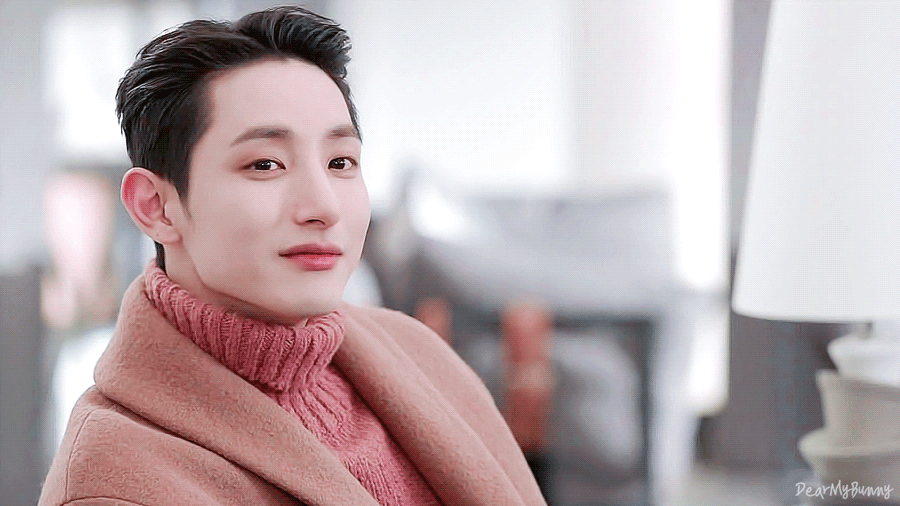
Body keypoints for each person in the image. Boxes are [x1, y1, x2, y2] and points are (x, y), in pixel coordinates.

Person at [39, 6, 546, 506]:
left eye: (340, 162)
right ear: (156, 207)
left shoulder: (419, 354)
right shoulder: (115, 480)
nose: (324, 207)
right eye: (266, 164)